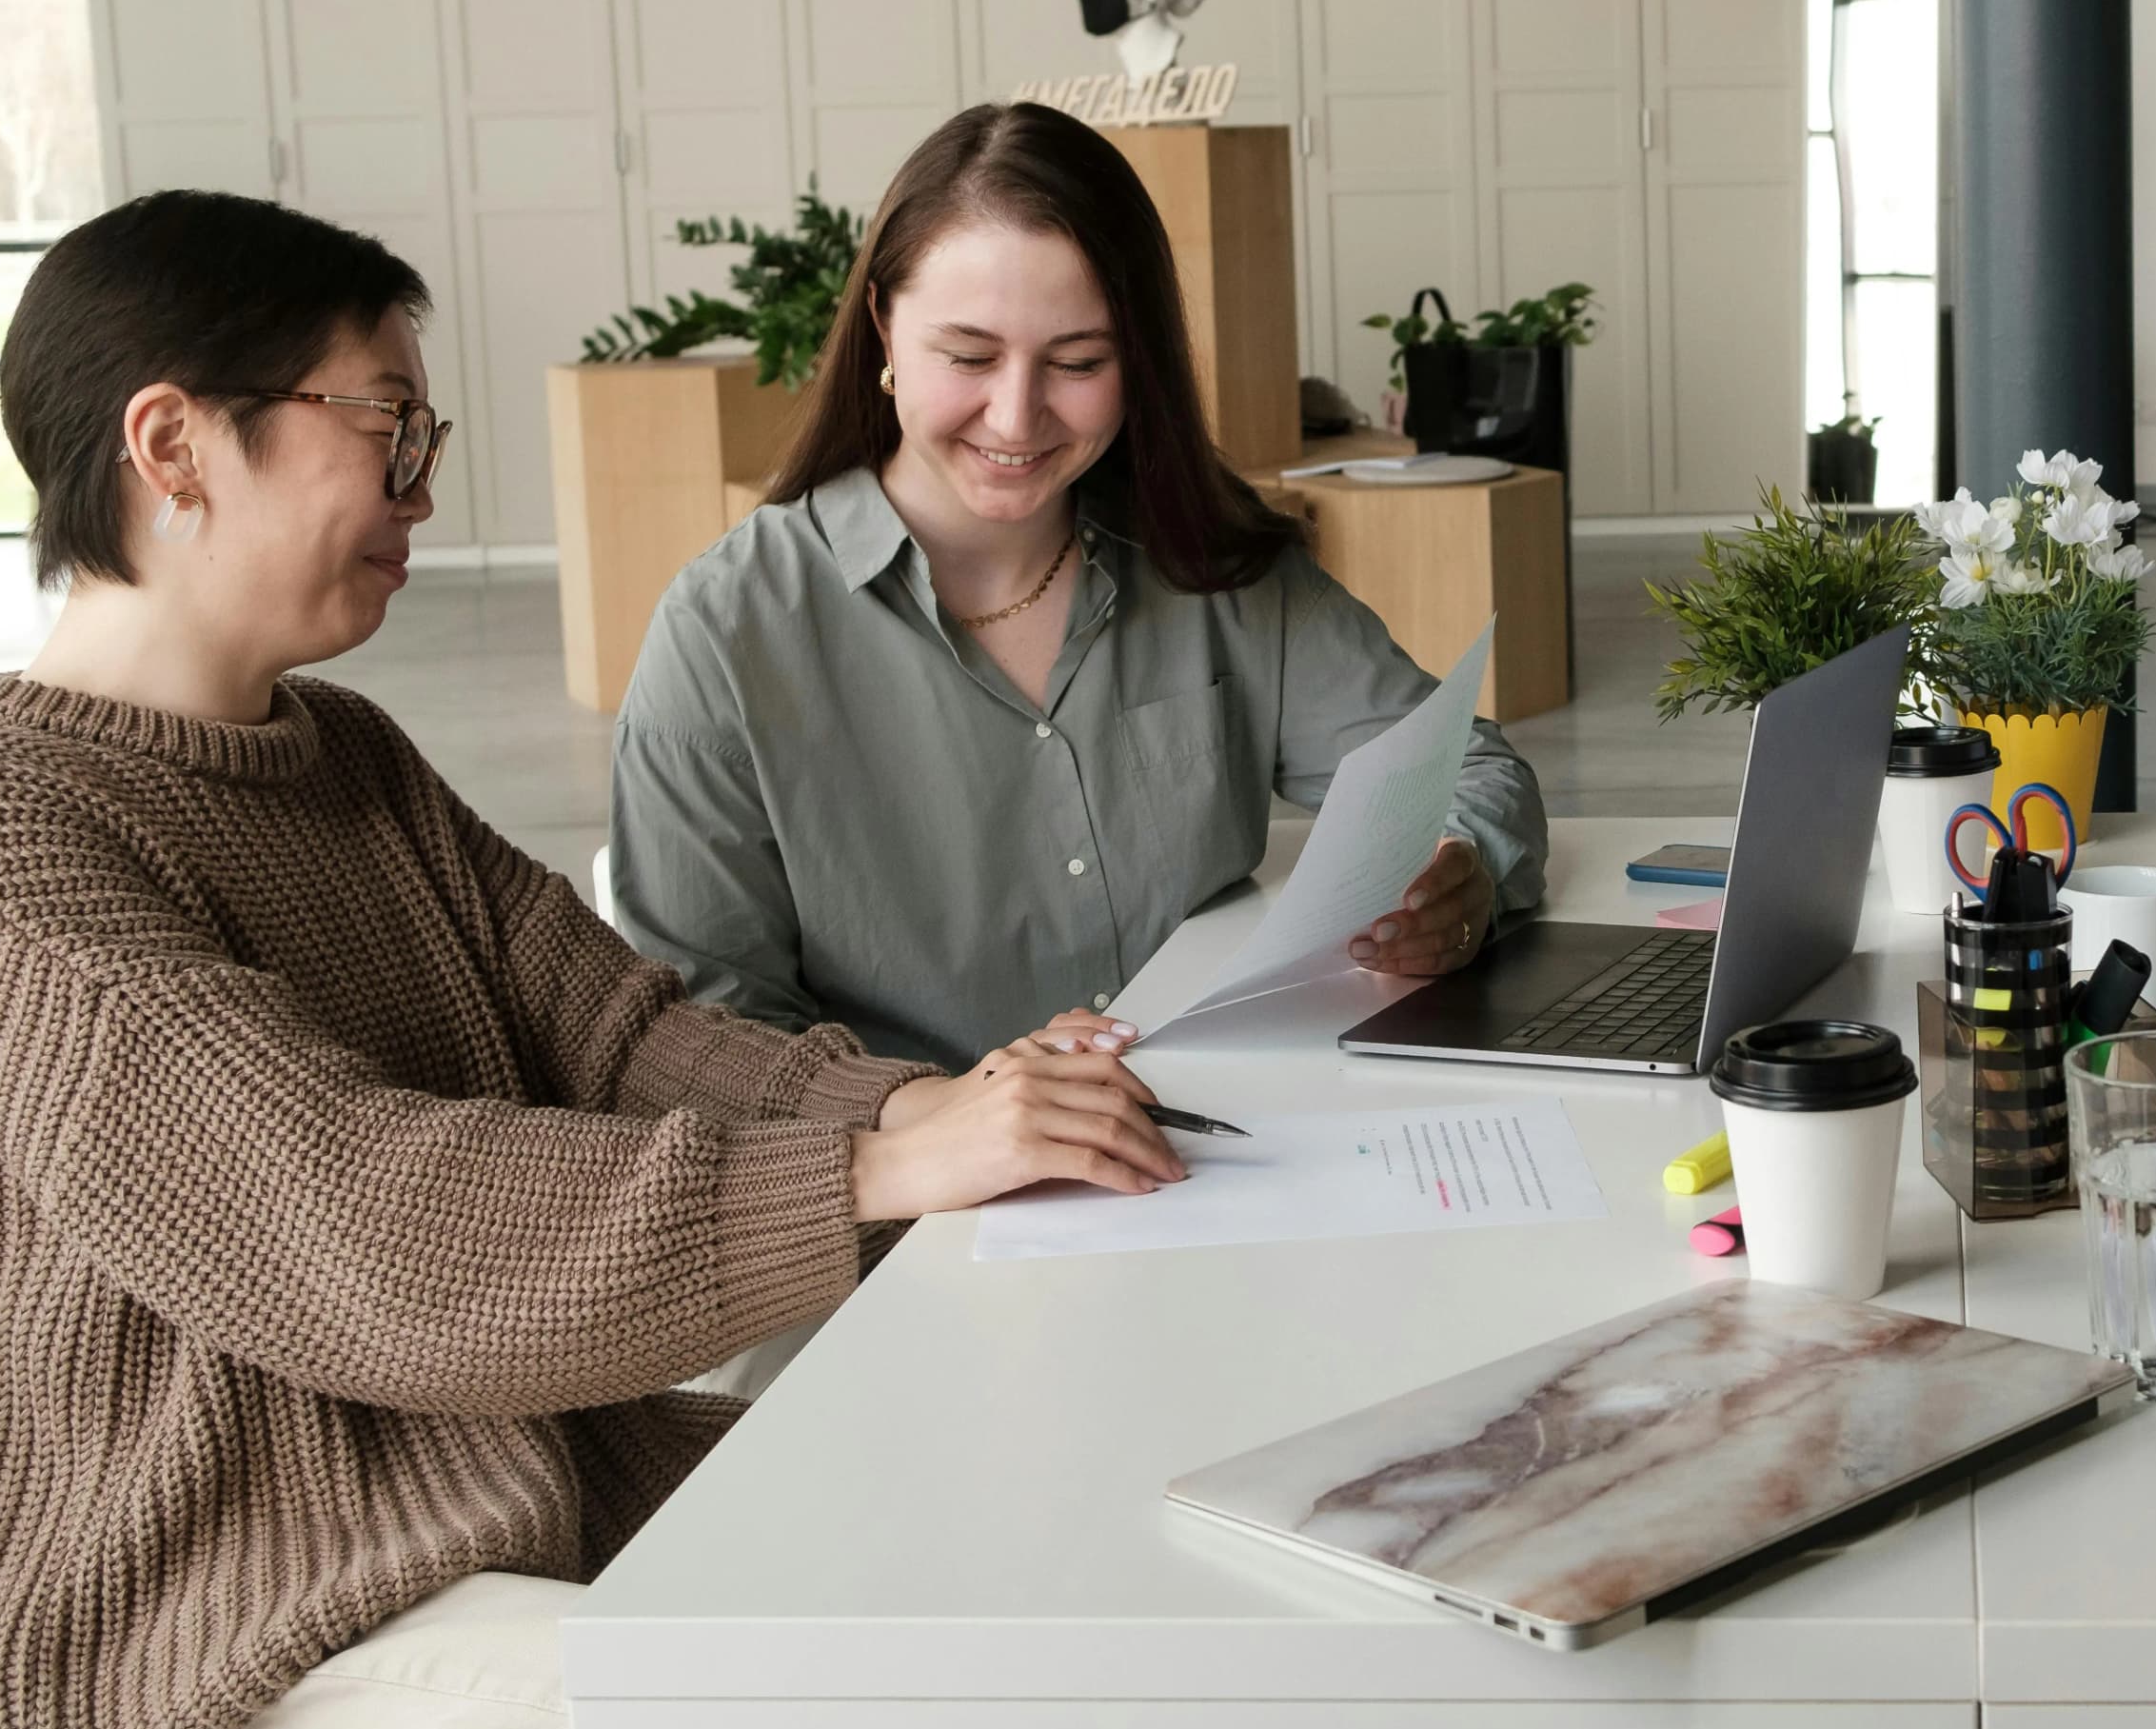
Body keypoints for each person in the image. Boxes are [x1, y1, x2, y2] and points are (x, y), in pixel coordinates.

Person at [0, 192, 1185, 1729]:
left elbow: (623, 1041)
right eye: (382, 425)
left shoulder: (347, 759)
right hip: (209, 1622)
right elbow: (349, 1218)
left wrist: (956, 1108)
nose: (424, 489)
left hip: (491, 1497)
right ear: (173, 448)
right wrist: (880, 1168)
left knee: (1064, 1552)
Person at [610, 102, 1548, 1069]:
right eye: (969, 356)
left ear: (1137, 358)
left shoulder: (1210, 561)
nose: (1016, 416)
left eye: (1079, 361)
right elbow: (705, 1047)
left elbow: (1468, 771)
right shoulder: (726, 631)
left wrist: (1457, 869)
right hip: (925, 1207)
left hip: (1231, 1146)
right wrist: (954, 1117)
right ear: (884, 330)